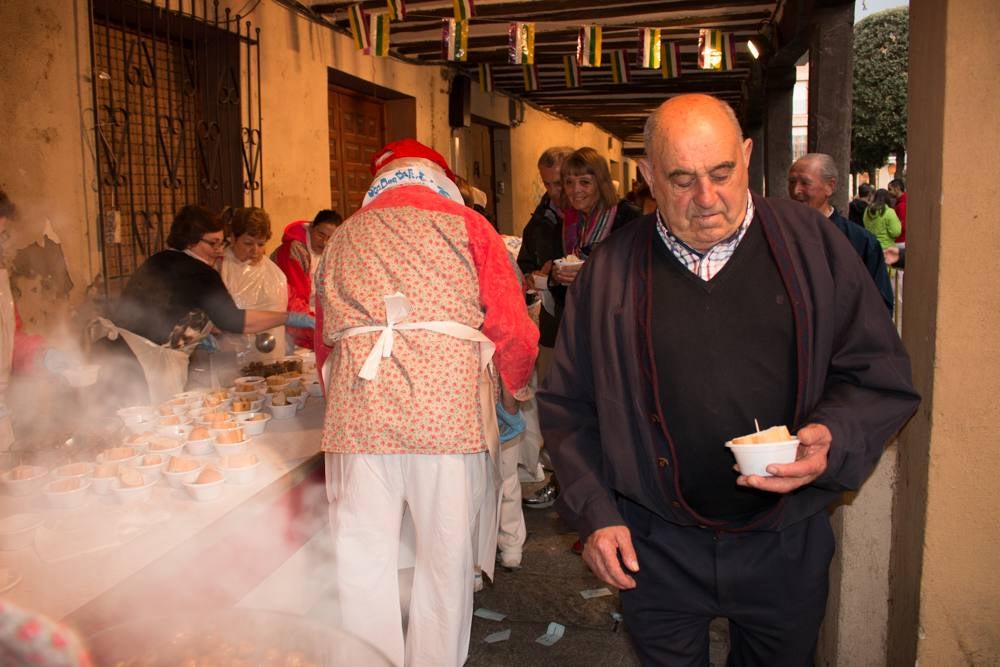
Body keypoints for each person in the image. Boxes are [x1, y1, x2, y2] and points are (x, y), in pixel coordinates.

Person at [538, 94, 920, 664]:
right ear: (647, 176)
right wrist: (596, 513)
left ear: (746, 157)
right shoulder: (611, 270)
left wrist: (834, 435)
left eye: (722, 173)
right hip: (654, 541)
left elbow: (878, 374)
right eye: (682, 179)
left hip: (785, 542)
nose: (707, 198)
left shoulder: (814, 247)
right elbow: (569, 404)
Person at [317, 139, 537, 667]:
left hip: (359, 415)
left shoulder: (343, 234)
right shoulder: (471, 227)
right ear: (443, 179)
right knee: (444, 558)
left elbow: (325, 337)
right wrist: (513, 386)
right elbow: (512, 328)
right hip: (447, 416)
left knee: (362, 558)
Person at [105, 205, 314, 402]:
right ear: (189, 241)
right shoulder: (200, 272)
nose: (220, 250)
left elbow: (171, 308)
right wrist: (287, 317)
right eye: (213, 243)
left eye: (221, 243)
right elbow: (236, 321)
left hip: (114, 353)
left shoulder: (160, 259)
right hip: (143, 364)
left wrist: (201, 335)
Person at [515, 146, 574, 509]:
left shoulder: (595, 216)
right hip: (552, 325)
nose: (554, 191)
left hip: (584, 325)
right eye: (547, 184)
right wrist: (537, 273)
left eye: (559, 183)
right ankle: (560, 477)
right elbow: (524, 261)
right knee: (553, 405)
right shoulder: (540, 219)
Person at [788, 153, 895, 313]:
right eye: (791, 182)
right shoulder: (779, 233)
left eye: (805, 183)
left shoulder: (860, 241)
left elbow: (880, 306)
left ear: (830, 187)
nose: (796, 190)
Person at [219, 207, 289, 360]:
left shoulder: (275, 274)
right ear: (232, 238)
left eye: (261, 244)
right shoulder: (220, 267)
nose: (255, 251)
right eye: (248, 243)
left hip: (270, 354)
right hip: (229, 357)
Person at [271, 209, 342, 350]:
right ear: (311, 228)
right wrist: (317, 330)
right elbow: (294, 299)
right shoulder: (294, 250)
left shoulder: (332, 253)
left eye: (330, 238)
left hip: (313, 320)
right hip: (288, 323)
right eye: (320, 234)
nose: (324, 242)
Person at [888, 177, 907, 243]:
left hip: (900, 240)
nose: (889, 192)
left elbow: (902, 226)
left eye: (890, 189)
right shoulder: (901, 201)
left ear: (897, 189)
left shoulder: (901, 205)